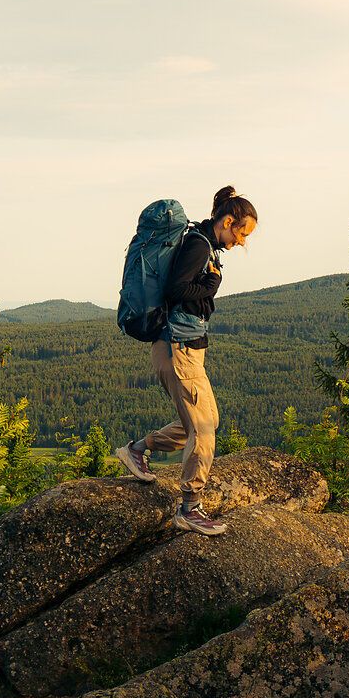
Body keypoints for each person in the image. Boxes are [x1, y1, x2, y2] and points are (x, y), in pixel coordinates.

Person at [115, 186, 257, 535]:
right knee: (203, 430)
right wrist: (211, 285)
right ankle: (189, 508)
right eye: (241, 233)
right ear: (228, 221)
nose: (241, 242)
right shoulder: (199, 245)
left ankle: (138, 450)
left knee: (207, 421)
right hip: (178, 349)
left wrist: (208, 284)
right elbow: (176, 290)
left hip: (186, 348)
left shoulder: (203, 243)